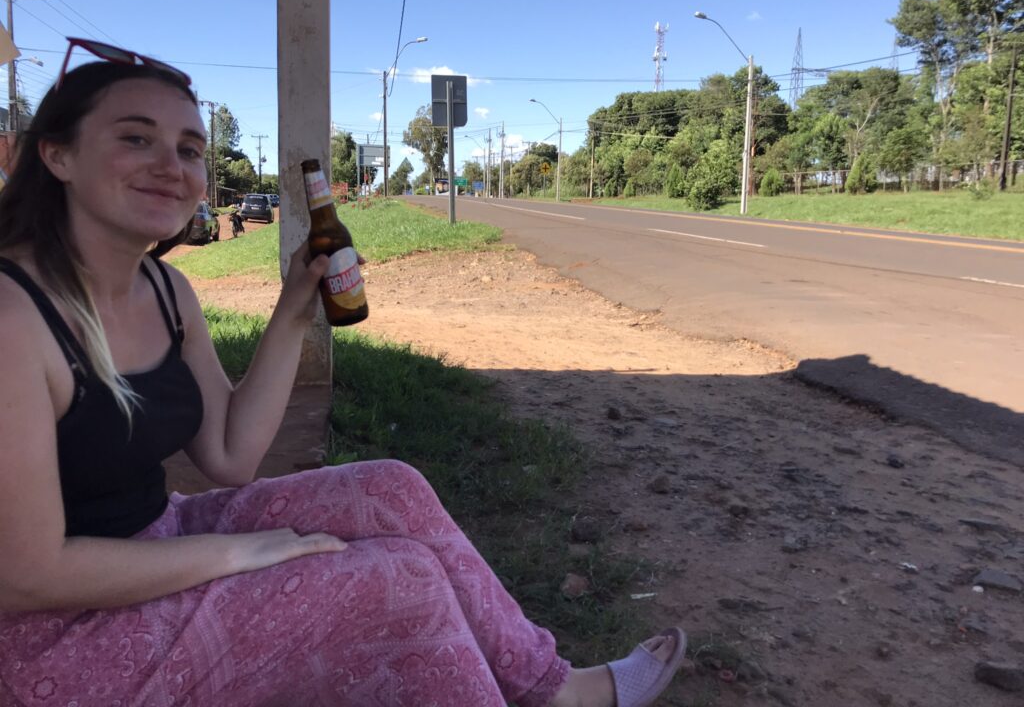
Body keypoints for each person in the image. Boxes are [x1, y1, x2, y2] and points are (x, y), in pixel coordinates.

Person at [0, 38, 687, 707]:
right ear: (56, 154)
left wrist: (296, 307)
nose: (171, 166)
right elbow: (25, 577)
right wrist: (233, 553)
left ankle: (551, 689)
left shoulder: (165, 290)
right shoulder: (13, 316)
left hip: (158, 536)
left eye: (189, 150)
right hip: (56, 644)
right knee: (399, 584)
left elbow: (231, 455)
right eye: (135, 138)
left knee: (394, 489)